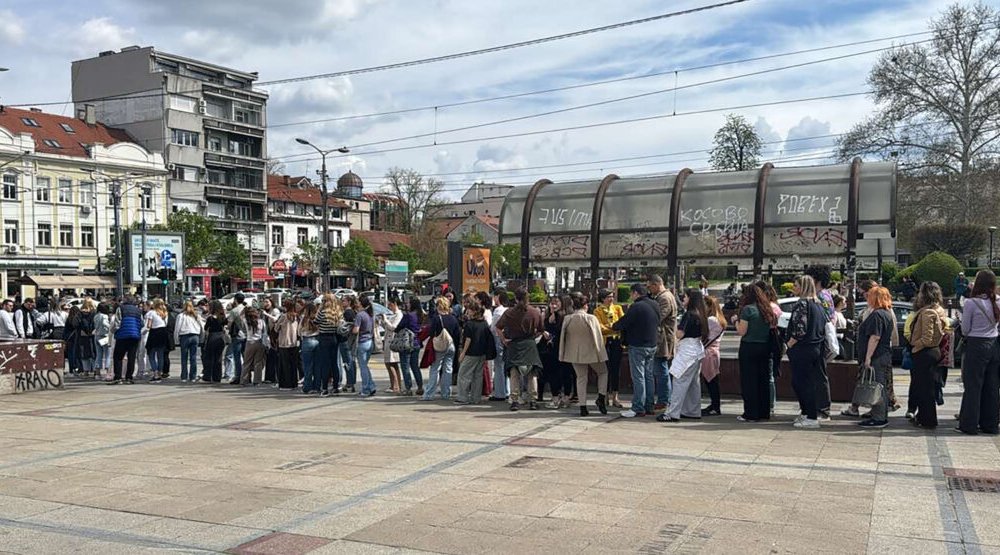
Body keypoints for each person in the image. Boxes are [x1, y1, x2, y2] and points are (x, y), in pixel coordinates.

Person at [957, 270, 1000, 435]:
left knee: (973, 386)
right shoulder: (998, 300)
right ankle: (990, 424)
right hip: (994, 344)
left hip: (976, 344)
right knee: (992, 386)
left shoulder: (971, 303)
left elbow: (965, 329)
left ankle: (969, 424)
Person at [659, 289, 708, 422]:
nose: (683, 299)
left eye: (685, 297)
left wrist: (675, 328)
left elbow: (680, 334)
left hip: (687, 350)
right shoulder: (701, 314)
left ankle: (672, 413)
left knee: (679, 381)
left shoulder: (689, 314)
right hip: (697, 349)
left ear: (691, 299)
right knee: (693, 383)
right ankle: (692, 411)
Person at [785, 276, 828, 429]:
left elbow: (799, 330)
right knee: (806, 381)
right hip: (816, 347)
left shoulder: (802, 304)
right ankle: (806, 413)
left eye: (796, 285)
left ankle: (810, 416)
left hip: (802, 348)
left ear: (803, 287)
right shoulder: (818, 304)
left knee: (802, 382)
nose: (794, 288)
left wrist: (788, 345)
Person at [612, 284, 660, 418]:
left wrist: (614, 326)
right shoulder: (655, 304)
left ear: (636, 293)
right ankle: (649, 405)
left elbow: (624, 322)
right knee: (649, 376)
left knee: (638, 377)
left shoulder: (636, 306)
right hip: (652, 344)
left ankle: (638, 407)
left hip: (638, 345)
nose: (630, 296)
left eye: (631, 294)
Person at [560, 292, 609, 417]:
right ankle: (601, 396)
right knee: (603, 372)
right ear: (585, 305)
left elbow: (563, 337)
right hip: (592, 352)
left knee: (581, 378)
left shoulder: (568, 319)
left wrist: (563, 353)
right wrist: (601, 353)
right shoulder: (591, 318)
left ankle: (583, 406)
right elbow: (598, 337)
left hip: (574, 353)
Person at [495, 287, 544, 411]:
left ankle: (515, 401)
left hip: (514, 344)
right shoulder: (535, 312)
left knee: (514, 374)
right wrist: (533, 337)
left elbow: (498, 327)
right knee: (532, 374)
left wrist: (504, 340)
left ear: (516, 299)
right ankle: (533, 400)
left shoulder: (509, 312)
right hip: (530, 344)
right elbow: (541, 330)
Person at [854, 286, 896, 429]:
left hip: (877, 355)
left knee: (877, 386)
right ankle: (879, 415)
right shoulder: (886, 313)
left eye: (870, 296)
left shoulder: (877, 315)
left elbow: (875, 337)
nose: (867, 298)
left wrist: (868, 357)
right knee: (880, 385)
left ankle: (879, 418)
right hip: (883, 354)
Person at [735, 283, 777, 422]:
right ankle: (764, 411)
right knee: (763, 380)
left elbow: (742, 331)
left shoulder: (748, 310)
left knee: (749, 381)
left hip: (749, 347)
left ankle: (751, 413)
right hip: (764, 347)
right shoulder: (767, 309)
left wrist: (735, 321)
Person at [908, 281, 947, 429]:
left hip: (925, 352)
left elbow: (927, 338)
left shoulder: (928, 312)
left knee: (925, 389)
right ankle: (923, 417)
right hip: (933, 351)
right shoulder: (938, 310)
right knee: (927, 387)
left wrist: (915, 347)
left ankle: (928, 420)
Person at [804, 265, 835, 420]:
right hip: (819, 339)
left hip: (818, 340)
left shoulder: (821, 297)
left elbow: (825, 319)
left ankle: (822, 409)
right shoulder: (825, 295)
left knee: (819, 376)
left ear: (816, 280)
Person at [648, 275, 678, 412]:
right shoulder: (665, 296)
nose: (649, 289)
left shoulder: (664, 298)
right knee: (661, 369)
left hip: (663, 339)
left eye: (650, 286)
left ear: (656, 284)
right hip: (663, 338)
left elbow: (658, 317)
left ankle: (664, 400)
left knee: (661, 370)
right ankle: (665, 399)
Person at [423, 297, 460, 401]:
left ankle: (429, 394)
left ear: (438, 306)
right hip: (451, 345)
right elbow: (457, 334)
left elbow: (431, 333)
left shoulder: (436, 318)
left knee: (435, 369)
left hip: (439, 346)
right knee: (448, 369)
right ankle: (446, 393)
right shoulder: (453, 318)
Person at [455, 297, 491, 405]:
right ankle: (476, 398)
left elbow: (468, 340)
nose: (468, 312)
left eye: (469, 310)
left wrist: (463, 353)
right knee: (477, 376)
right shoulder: (484, 323)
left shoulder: (470, 324)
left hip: (471, 353)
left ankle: (463, 397)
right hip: (482, 353)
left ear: (474, 311)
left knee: (463, 374)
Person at [594, 290, 625, 409]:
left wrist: (613, 328)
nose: (611, 299)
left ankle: (615, 396)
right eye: (608, 297)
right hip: (605, 342)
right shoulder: (598, 310)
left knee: (616, 368)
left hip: (617, 341)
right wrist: (613, 328)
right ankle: (605, 395)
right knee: (605, 369)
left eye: (612, 296)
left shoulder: (617, 308)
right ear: (602, 298)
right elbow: (599, 327)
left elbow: (622, 322)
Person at [540, 296, 571, 408]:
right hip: (551, 349)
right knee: (555, 374)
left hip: (561, 348)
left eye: (556, 302)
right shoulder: (547, 315)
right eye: (552, 303)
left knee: (563, 373)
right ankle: (558, 398)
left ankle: (561, 398)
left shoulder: (563, 316)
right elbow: (542, 328)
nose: (553, 305)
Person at [109, 296, 144, 385]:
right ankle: (129, 377)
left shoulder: (120, 309)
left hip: (122, 335)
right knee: (131, 357)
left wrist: (112, 331)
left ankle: (118, 377)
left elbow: (117, 323)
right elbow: (142, 323)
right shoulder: (138, 311)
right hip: (134, 336)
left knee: (118, 357)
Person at [395, 297, 426, 396]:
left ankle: (408, 388)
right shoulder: (420, 315)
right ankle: (420, 387)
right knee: (415, 366)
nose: (407, 305)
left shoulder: (408, 316)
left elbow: (399, 327)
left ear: (412, 304)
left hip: (407, 342)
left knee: (405, 366)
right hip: (416, 342)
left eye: (408, 303)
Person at [701, 296, 726, 416]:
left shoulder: (711, 320)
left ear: (709, 306)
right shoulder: (720, 319)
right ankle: (714, 405)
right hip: (714, 352)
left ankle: (715, 406)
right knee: (713, 380)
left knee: (710, 381)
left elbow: (703, 334)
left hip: (709, 353)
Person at [313, 294, 342, 395]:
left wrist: (319, 310)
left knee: (325, 363)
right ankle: (336, 387)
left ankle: (325, 388)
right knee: (334, 363)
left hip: (324, 338)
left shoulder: (323, 312)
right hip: (334, 337)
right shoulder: (337, 312)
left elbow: (316, 322)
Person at [174, 301, 203, 383]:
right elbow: (201, 326)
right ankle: (193, 376)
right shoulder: (196, 315)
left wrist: (176, 339)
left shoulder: (181, 316)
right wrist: (201, 337)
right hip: (195, 336)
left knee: (184, 357)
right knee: (193, 357)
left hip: (185, 336)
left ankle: (184, 376)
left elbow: (177, 328)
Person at [275, 298, 301, 391]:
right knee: (293, 364)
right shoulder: (296, 317)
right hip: (294, 342)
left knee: (284, 365)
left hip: (284, 343)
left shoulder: (283, 316)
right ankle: (294, 383)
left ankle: (286, 384)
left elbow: (276, 328)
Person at [239, 307, 269, 386]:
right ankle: (257, 381)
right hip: (259, 342)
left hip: (249, 342)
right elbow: (265, 333)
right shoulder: (261, 321)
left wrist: (244, 310)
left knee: (247, 362)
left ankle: (244, 380)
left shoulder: (245, 321)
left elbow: (241, 318)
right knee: (258, 362)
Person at [201, 301, 229, 384]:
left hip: (212, 337)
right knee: (218, 358)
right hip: (221, 337)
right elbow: (226, 325)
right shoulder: (222, 317)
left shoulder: (210, 318)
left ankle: (208, 376)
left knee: (209, 357)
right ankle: (217, 377)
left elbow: (206, 328)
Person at [355, 296, 378, 397]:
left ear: (361, 303)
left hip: (362, 342)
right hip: (370, 341)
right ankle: (371, 386)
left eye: (358, 302)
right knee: (365, 365)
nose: (356, 303)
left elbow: (356, 330)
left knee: (363, 367)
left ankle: (366, 389)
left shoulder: (360, 315)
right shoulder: (371, 314)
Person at [489, 288, 509, 400]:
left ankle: (499, 393)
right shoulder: (508, 309)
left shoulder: (498, 311)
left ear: (498, 297)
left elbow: (493, 327)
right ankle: (507, 390)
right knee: (506, 366)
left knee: (498, 366)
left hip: (498, 338)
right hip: (507, 338)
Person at [224, 294, 247, 383]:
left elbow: (229, 323)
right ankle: (247, 376)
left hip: (237, 335)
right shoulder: (246, 309)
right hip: (248, 335)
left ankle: (238, 376)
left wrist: (228, 329)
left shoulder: (234, 311)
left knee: (237, 357)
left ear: (235, 300)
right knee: (246, 357)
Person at [144, 299, 169, 383]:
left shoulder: (151, 313)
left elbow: (149, 325)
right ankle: (159, 372)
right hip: (163, 333)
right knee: (160, 355)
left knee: (151, 354)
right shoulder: (164, 313)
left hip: (154, 333)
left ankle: (155, 374)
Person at [382, 299, 403, 394]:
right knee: (390, 363)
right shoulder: (393, 314)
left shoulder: (399, 314)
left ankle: (395, 386)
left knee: (391, 363)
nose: (389, 307)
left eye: (390, 305)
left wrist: (386, 320)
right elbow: (387, 327)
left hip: (392, 340)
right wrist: (383, 321)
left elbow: (393, 327)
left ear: (395, 304)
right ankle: (394, 385)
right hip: (388, 339)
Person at [72, 300, 98, 378]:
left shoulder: (79, 314)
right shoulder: (94, 313)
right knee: (93, 353)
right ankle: (95, 371)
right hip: (92, 335)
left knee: (84, 354)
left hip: (82, 336)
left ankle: (86, 371)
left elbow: (74, 324)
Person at [339, 296, 359, 393]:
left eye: (344, 301)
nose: (342, 302)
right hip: (351, 340)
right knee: (351, 361)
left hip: (346, 340)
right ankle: (351, 382)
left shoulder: (348, 312)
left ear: (349, 302)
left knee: (348, 362)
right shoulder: (354, 312)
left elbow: (347, 327)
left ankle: (350, 383)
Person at [299, 303, 320, 394]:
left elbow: (299, 331)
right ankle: (317, 386)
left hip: (307, 340)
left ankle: (308, 387)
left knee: (307, 366)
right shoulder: (318, 318)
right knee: (317, 366)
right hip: (317, 340)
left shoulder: (304, 319)